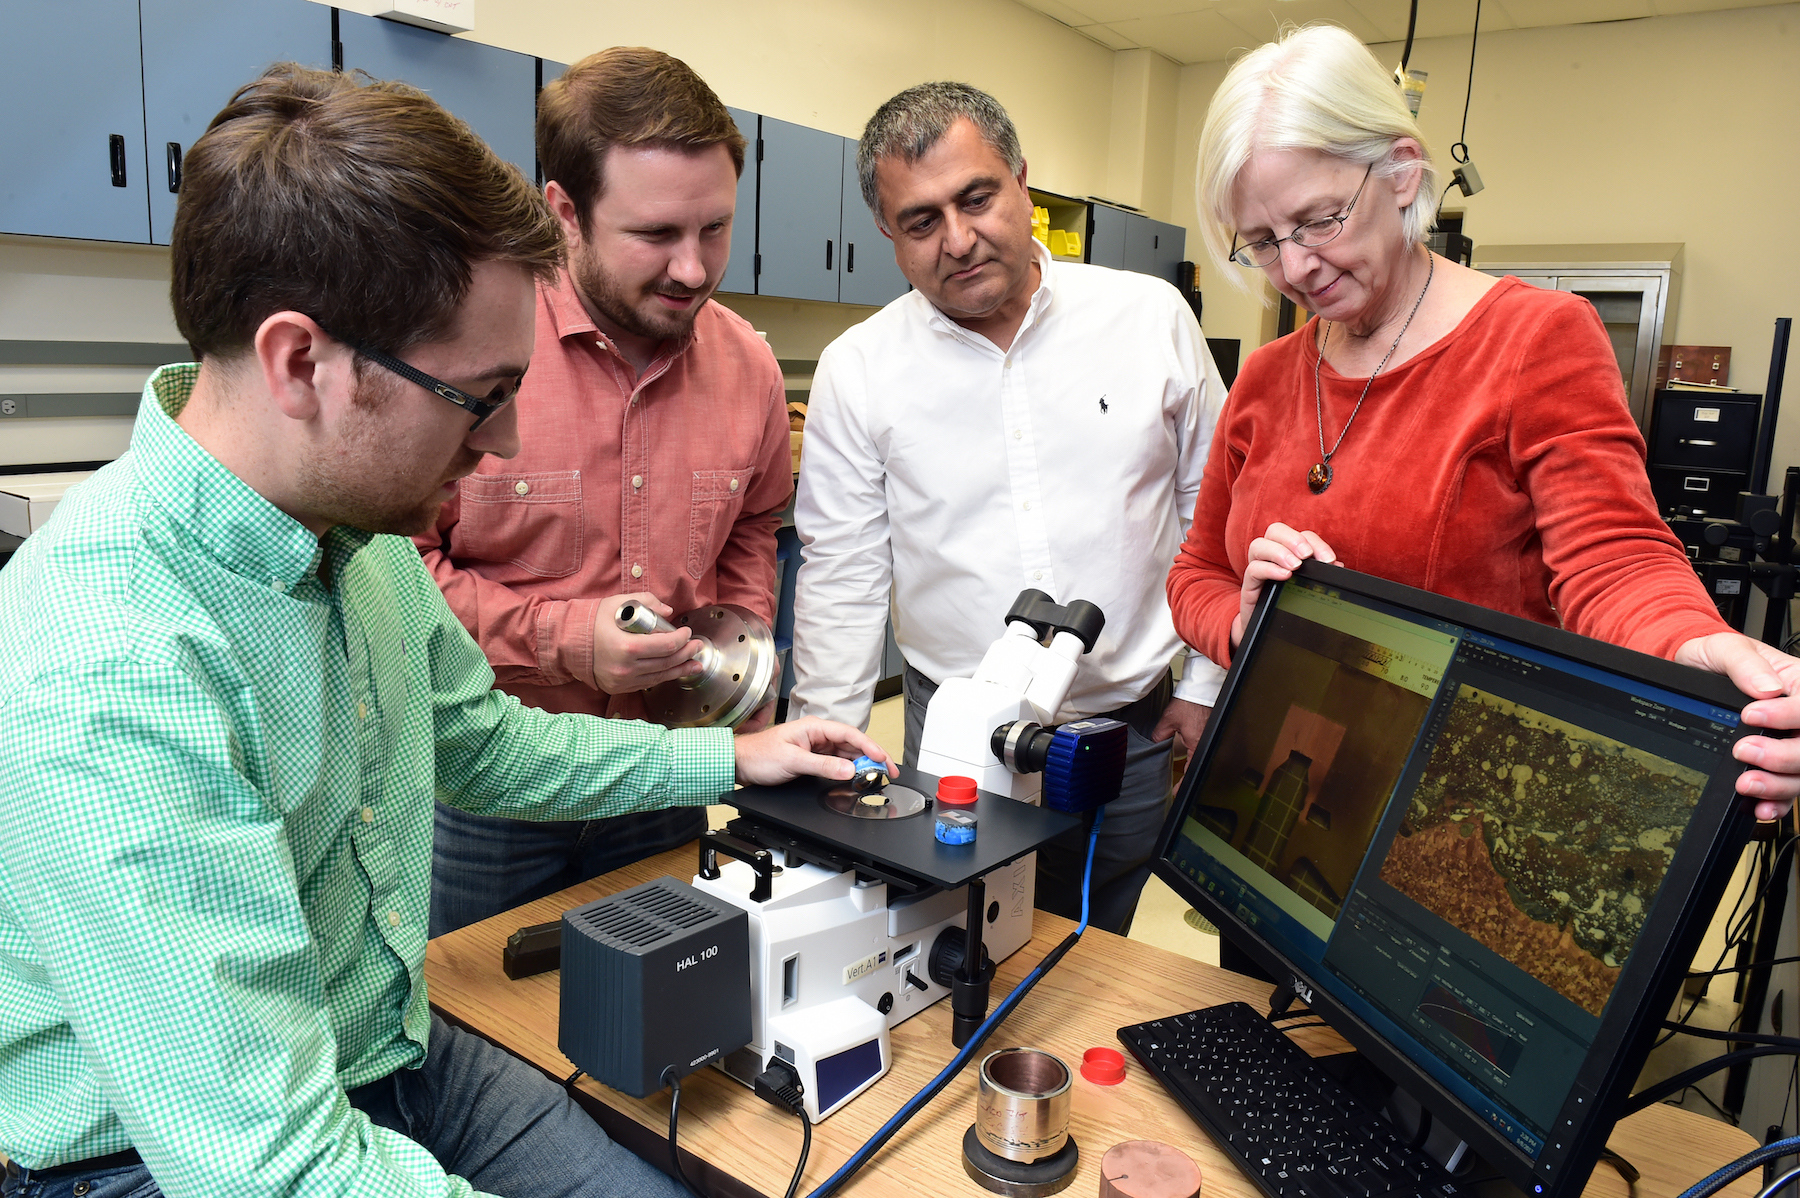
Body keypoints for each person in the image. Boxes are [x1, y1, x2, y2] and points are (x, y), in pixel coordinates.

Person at [0, 65, 884, 1198]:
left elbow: (492, 745)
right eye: (479, 395)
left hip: (385, 1057)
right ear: (301, 363)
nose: (510, 441)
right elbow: (275, 1166)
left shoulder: (358, 540)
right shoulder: (112, 664)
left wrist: (732, 754)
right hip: (158, 1158)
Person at [1166, 23, 1800, 825]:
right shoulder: (1263, 378)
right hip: (1276, 791)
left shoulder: (1536, 340)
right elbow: (1196, 576)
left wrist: (1692, 643)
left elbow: (1615, 560)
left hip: (1449, 809)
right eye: (1262, 241)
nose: (1294, 269)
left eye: (1319, 219)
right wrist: (1247, 623)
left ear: (1401, 172)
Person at [788, 81, 1228, 935]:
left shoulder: (1148, 318)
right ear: (887, 233)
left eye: (977, 197)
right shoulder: (860, 367)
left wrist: (1208, 683)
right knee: (954, 948)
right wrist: (830, 760)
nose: (958, 240)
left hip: (1127, 736)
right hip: (954, 738)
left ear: (1023, 180)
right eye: (920, 221)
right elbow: (842, 575)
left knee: (1098, 952)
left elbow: (1214, 504)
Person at [417, 47, 792, 938]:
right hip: (485, 794)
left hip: (668, 773)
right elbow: (396, 570)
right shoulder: (473, 350)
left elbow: (753, 524)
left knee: (649, 1031)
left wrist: (731, 659)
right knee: (477, 1040)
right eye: (657, 236)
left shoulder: (750, 368)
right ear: (566, 212)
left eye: (715, 229)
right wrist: (563, 638)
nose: (695, 269)